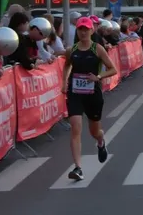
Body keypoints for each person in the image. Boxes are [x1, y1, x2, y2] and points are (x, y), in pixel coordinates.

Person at [61, 16, 118, 181]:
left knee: (94, 131)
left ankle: (100, 141)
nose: (84, 32)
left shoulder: (98, 49)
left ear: (92, 31)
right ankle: (78, 168)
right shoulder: (71, 50)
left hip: (93, 94)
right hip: (75, 93)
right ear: (77, 31)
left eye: (86, 29)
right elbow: (66, 66)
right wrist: (64, 83)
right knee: (75, 127)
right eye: (81, 29)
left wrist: (98, 76)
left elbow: (112, 69)